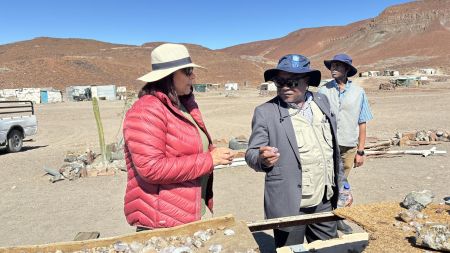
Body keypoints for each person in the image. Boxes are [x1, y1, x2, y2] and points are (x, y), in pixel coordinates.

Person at [123, 43, 234, 231]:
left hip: (185, 213)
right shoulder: (147, 110)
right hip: (161, 221)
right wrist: (208, 160)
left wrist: (213, 152)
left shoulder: (183, 106)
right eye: (188, 71)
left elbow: (183, 149)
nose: (194, 76)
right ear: (169, 76)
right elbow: (151, 168)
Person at [245, 54, 346, 247]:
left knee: (329, 250)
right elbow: (250, 153)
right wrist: (261, 157)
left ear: (307, 81)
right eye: (279, 82)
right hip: (289, 204)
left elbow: (332, 150)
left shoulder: (321, 102)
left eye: (291, 82)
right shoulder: (265, 112)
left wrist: (343, 185)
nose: (284, 87)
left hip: (324, 200)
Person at [319, 54, 373, 233]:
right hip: (327, 145)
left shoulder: (359, 92)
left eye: (338, 66)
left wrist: (361, 151)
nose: (333, 68)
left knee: (343, 183)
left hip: (349, 146)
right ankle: (325, 219)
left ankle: (339, 217)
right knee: (327, 182)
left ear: (347, 70)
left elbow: (362, 122)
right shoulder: (323, 90)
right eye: (332, 65)